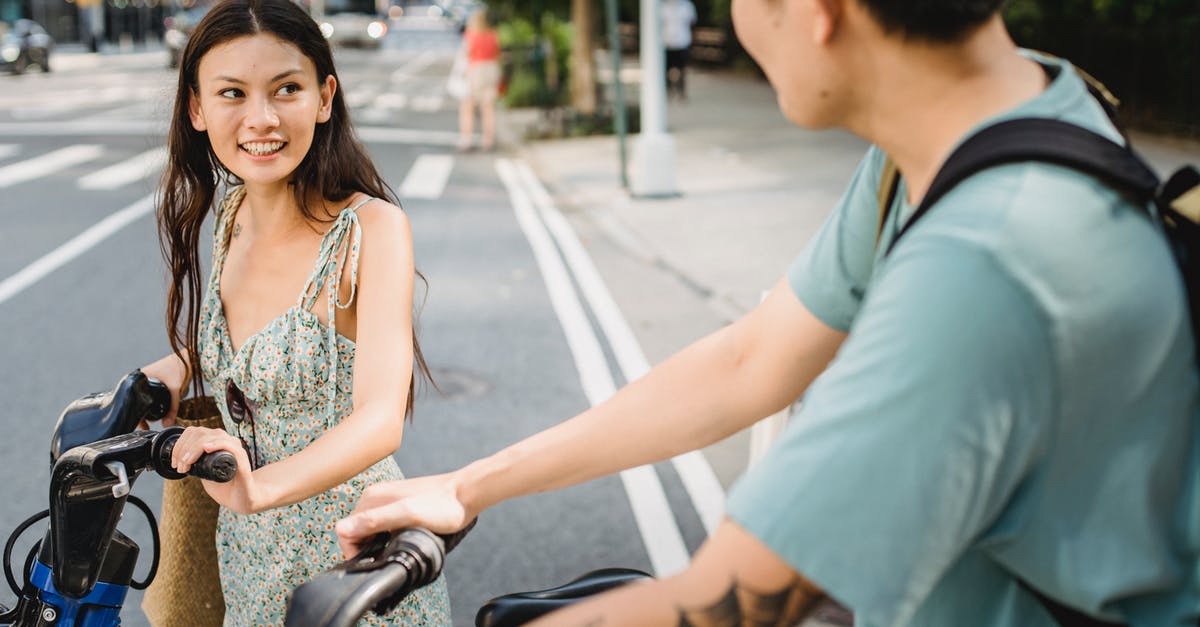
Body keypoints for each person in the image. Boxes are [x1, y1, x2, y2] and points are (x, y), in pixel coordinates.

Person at [337, 0, 1200, 625]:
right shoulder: (969, 135)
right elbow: (753, 359)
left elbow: (728, 601)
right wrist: (467, 483)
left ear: (817, 11)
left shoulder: (986, 263)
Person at [139, 0, 450, 623]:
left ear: (324, 97)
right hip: (249, 562)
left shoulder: (371, 229)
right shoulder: (229, 219)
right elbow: (247, 341)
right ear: (197, 108)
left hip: (351, 567)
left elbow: (381, 419)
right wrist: (178, 366)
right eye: (232, 93)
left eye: (287, 89)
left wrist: (261, 488)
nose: (262, 118)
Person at [455, 8, 501, 152]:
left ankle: (466, 140)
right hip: (491, 70)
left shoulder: (471, 35)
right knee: (488, 108)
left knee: (467, 107)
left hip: (475, 70)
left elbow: (466, 54)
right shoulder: (493, 35)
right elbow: (497, 53)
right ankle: (488, 141)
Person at [661, 0, 697, 100]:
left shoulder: (687, 5)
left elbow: (692, 21)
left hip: (682, 41)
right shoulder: (663, 7)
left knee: (682, 69)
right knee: (665, 69)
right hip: (666, 42)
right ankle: (667, 90)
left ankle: (681, 91)